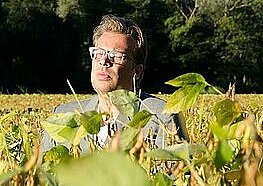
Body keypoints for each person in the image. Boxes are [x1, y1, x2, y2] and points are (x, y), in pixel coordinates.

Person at [41, 14, 187, 153]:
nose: (103, 61)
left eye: (116, 56)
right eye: (98, 52)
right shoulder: (62, 115)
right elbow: (41, 175)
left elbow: (177, 177)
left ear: (137, 70)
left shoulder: (161, 117)